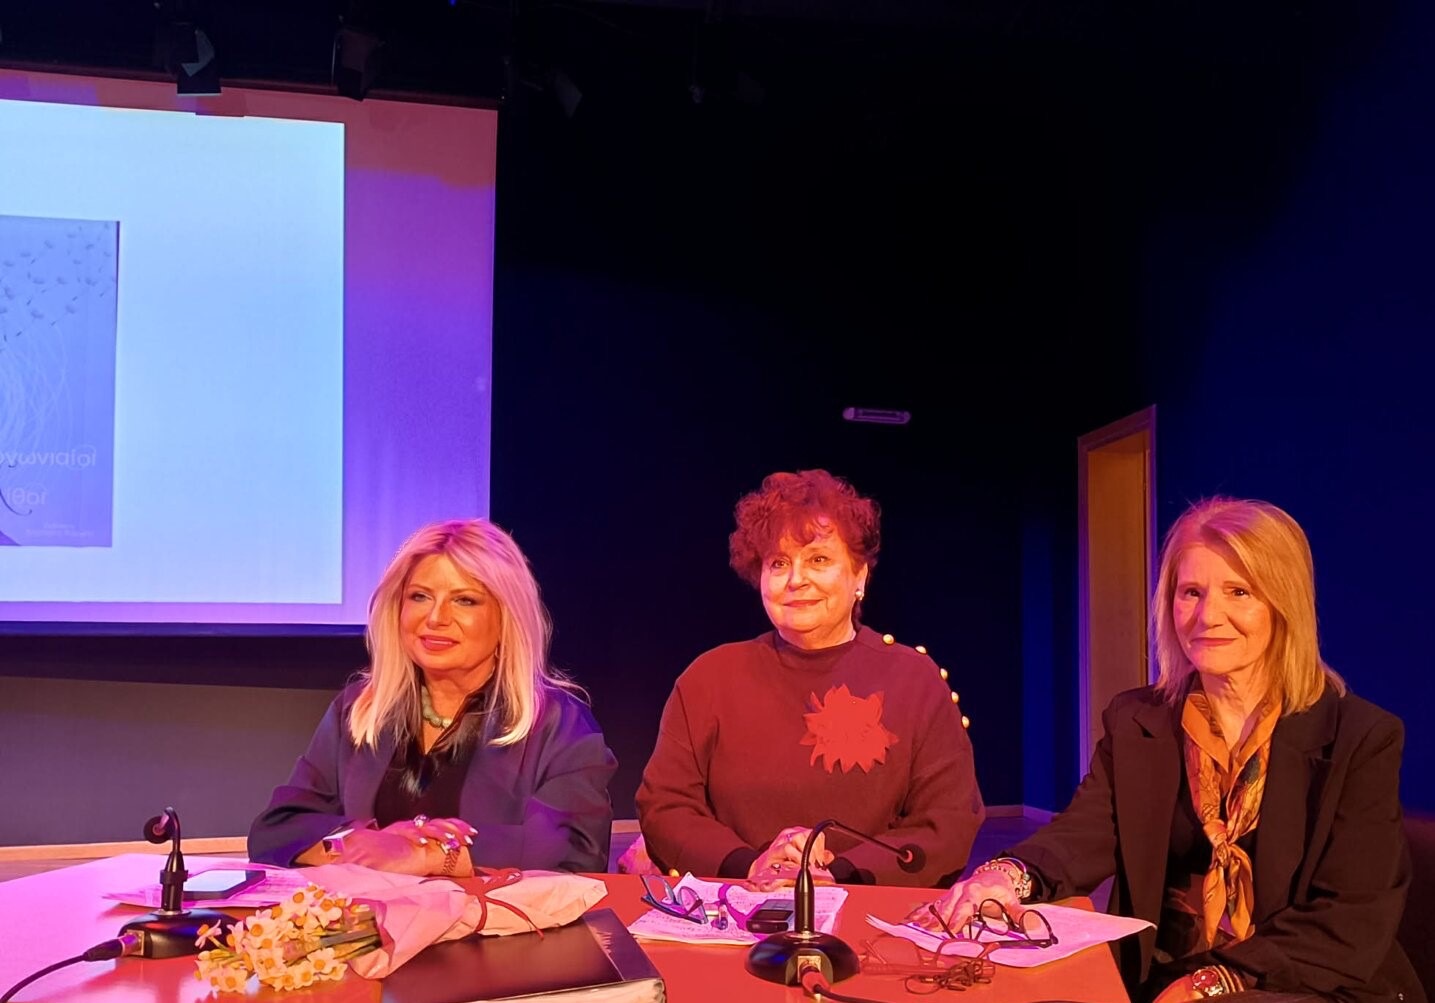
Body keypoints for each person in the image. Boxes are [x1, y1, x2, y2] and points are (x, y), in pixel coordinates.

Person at [914, 497, 1423, 1003]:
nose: (1208, 615)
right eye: (1191, 592)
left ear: (1283, 604)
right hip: (1165, 974)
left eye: (1239, 591)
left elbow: (1349, 917)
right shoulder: (1137, 719)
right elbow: (1087, 831)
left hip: (1306, 981)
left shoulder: (1362, 737)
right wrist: (1007, 876)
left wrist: (1213, 983)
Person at [636, 469, 984, 888]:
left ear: (859, 576)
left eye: (818, 559)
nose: (796, 579)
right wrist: (751, 866)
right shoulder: (709, 678)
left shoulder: (915, 680)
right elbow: (666, 806)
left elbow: (946, 822)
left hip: (868, 908)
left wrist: (835, 875)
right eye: (779, 563)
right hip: (735, 906)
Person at [249, 518, 618, 876]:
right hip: (368, 914)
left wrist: (426, 855)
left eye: (465, 600)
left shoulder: (558, 721)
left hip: (490, 918)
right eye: (420, 596)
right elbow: (277, 830)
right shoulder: (359, 708)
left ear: (507, 618)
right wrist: (364, 841)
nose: (436, 617)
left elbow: (575, 850)